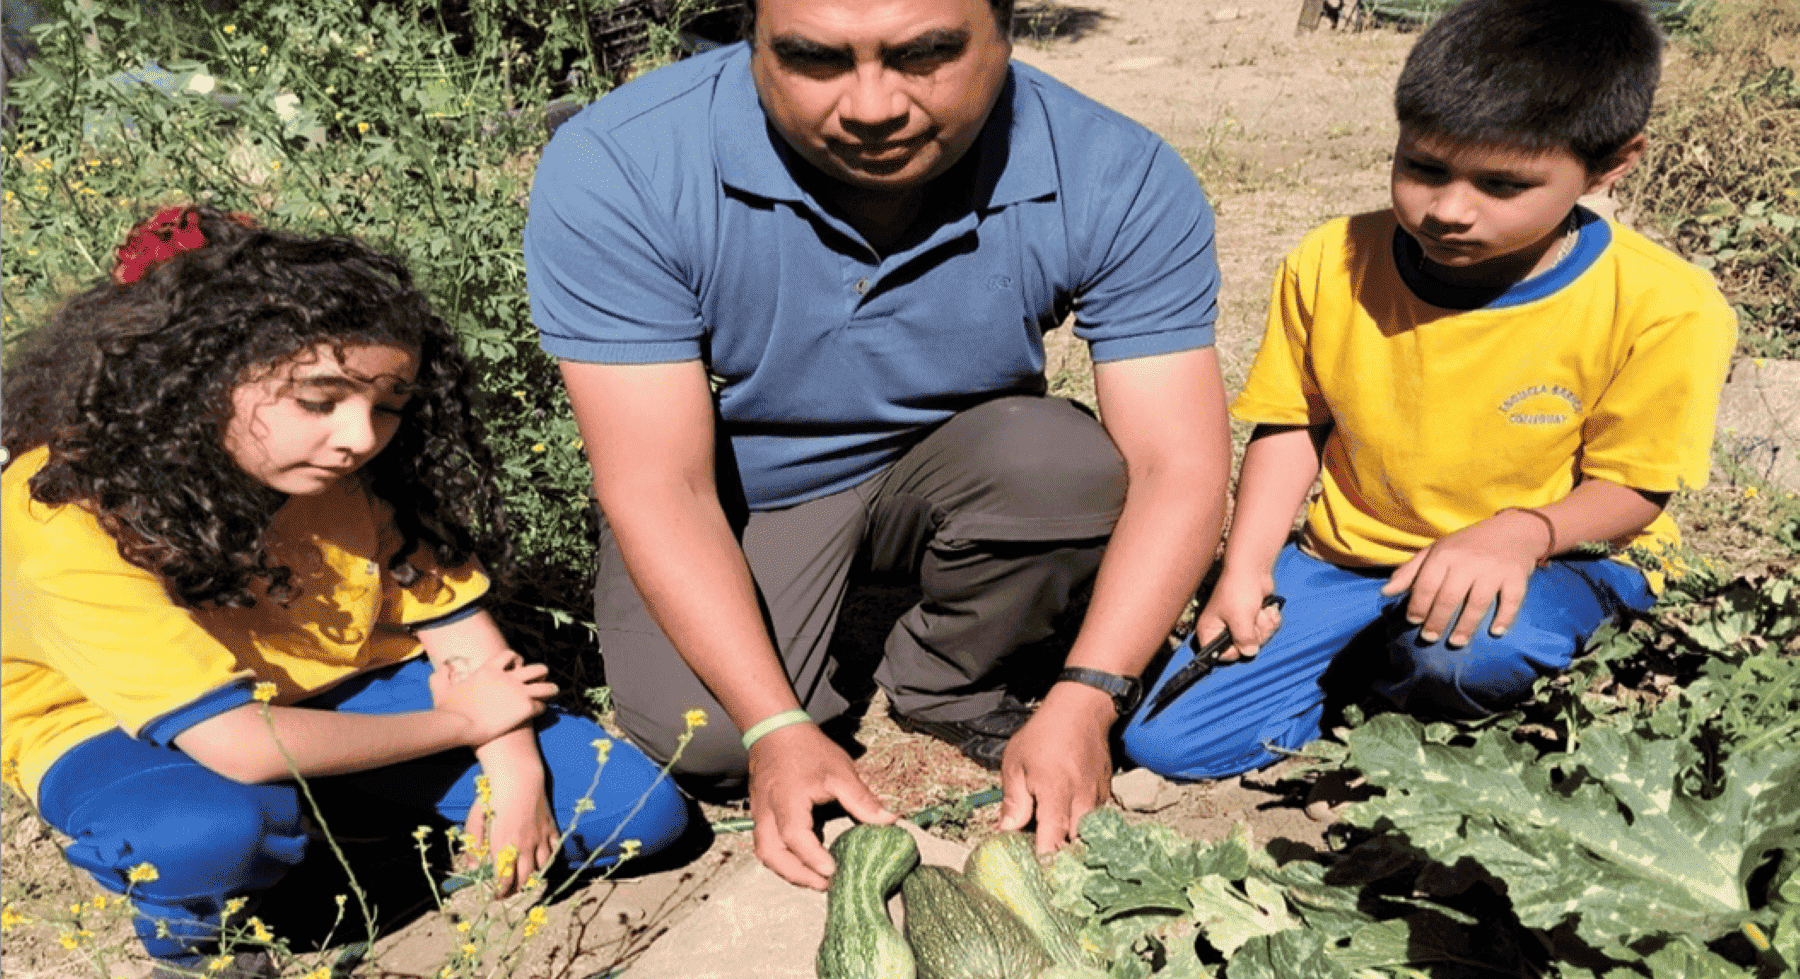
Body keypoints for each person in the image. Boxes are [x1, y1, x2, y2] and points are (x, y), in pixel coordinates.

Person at [524, 0, 1231, 889]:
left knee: (1068, 467)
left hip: (964, 460)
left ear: (1009, 32)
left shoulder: (1113, 171)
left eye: (924, 54)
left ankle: (946, 673)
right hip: (748, 482)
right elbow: (659, 485)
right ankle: (796, 661)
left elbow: (1181, 466)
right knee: (703, 737)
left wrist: (1090, 693)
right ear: (752, 38)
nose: (871, 105)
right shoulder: (622, 164)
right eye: (815, 59)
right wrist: (776, 727)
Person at [0, 207, 689, 979]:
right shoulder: (66, 512)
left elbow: (459, 633)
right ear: (198, 378)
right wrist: (466, 723)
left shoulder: (346, 471)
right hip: (116, 724)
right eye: (321, 399)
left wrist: (515, 765)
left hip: (330, 689)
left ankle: (329, 820)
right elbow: (241, 743)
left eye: (388, 404)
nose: (360, 436)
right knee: (200, 831)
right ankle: (194, 935)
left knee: (636, 812)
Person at [1121, 0, 1738, 780]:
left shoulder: (1665, 305)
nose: (1448, 208)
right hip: (1350, 560)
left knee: (1473, 653)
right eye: (1423, 168)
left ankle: (1416, 685)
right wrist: (1247, 567)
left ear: (1612, 163)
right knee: (1168, 742)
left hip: (1559, 555)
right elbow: (1291, 424)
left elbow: (1636, 485)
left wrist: (1523, 532)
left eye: (1502, 184)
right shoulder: (1330, 260)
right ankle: (1371, 671)